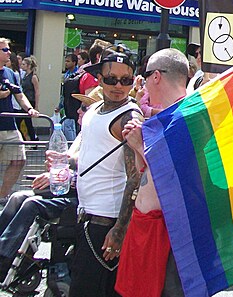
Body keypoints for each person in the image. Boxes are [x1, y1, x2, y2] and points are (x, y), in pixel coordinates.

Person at [0, 88, 101, 281]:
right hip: (66, 189)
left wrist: (60, 175)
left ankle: (3, 257)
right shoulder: (82, 136)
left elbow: (85, 171)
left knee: (31, 204)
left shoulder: (99, 139)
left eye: (83, 107)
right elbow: (66, 166)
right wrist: (52, 173)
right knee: (17, 197)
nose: (78, 111)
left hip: (82, 198)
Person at [115, 48, 189, 297]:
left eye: (145, 76)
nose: (143, 82)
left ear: (156, 76)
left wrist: (138, 145)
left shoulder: (187, 116)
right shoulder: (162, 117)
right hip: (146, 226)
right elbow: (143, 172)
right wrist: (137, 146)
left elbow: (178, 177)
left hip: (167, 233)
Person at [69, 52, 142, 297]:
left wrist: (120, 229)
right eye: (112, 79)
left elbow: (136, 177)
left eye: (126, 80)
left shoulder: (129, 117)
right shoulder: (95, 109)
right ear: (99, 79)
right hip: (86, 214)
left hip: (106, 222)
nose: (119, 86)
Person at [0, 38, 39, 203]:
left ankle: (2, 196)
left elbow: (19, 94)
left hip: (9, 126)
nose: (9, 52)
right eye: (4, 50)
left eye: (8, 49)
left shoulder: (10, 73)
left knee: (19, 160)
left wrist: (29, 108)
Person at [20, 56, 40, 142]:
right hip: (25, 100)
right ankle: (33, 139)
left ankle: (31, 139)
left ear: (28, 66)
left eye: (24, 64)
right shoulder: (25, 76)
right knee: (28, 122)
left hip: (30, 101)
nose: (22, 66)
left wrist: (36, 106)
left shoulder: (33, 77)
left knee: (20, 120)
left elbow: (37, 92)